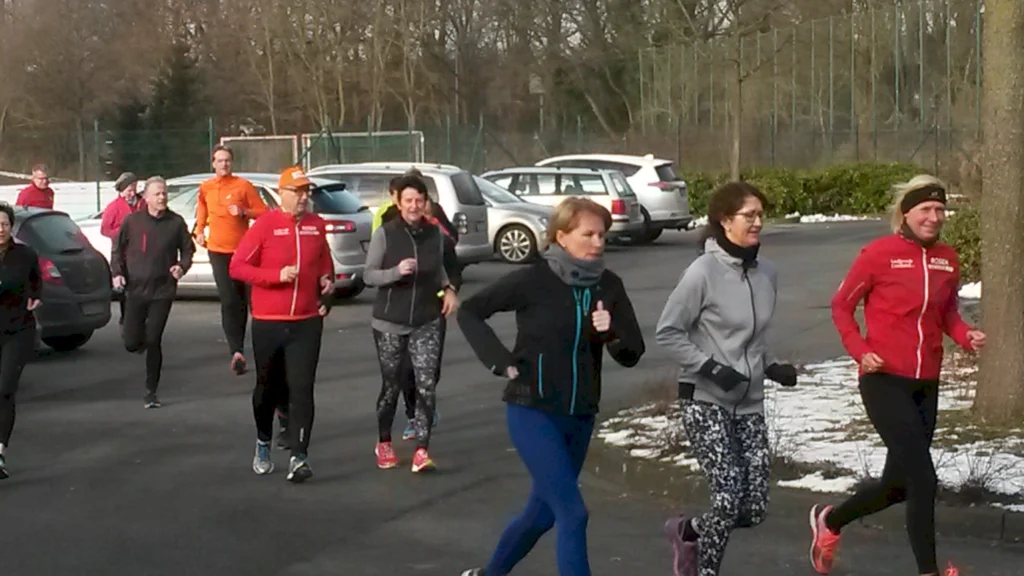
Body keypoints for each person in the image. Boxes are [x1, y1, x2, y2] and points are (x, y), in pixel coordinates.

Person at [456, 197, 645, 576]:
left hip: (580, 415)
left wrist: (611, 335)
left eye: (602, 235)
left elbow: (632, 352)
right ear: (561, 236)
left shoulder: (608, 285)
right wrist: (500, 360)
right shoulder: (534, 279)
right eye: (587, 234)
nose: (597, 242)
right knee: (573, 513)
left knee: (542, 515)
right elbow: (470, 311)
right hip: (532, 409)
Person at [810, 175, 985, 576]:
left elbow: (947, 313)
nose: (934, 217)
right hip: (883, 378)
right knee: (924, 478)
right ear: (906, 213)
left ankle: (831, 522)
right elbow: (841, 306)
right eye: (926, 209)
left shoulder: (947, 258)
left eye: (940, 210)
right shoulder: (879, 253)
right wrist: (860, 351)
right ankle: (929, 572)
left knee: (899, 484)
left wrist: (965, 335)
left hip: (926, 382)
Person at [654, 182, 795, 576]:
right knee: (728, 498)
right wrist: (711, 367)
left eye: (761, 215)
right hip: (705, 398)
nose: (757, 223)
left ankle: (688, 530)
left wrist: (772, 365)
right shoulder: (702, 272)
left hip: (749, 401)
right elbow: (668, 331)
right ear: (724, 220)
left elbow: (754, 336)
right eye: (749, 216)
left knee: (753, 509)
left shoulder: (767, 273)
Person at [229, 166, 333, 483]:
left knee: (302, 389)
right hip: (269, 322)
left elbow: (323, 259)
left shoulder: (316, 225)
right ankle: (263, 441)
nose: (304, 198)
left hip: (306, 322)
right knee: (268, 389)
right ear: (283, 193)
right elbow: (237, 267)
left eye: (307, 192)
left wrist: (326, 279)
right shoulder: (264, 225)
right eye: (297, 192)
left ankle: (299, 457)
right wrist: (276, 277)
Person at [364, 173, 458, 473]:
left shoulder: (434, 235)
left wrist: (449, 290)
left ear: (426, 202)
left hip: (427, 319)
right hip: (390, 321)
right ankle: (384, 442)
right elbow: (368, 276)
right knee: (392, 385)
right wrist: (395, 272)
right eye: (408, 200)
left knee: (426, 384)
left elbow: (440, 270)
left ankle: (421, 450)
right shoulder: (386, 233)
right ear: (398, 202)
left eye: (419, 200)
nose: (414, 206)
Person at [111, 177, 196, 409]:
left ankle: (151, 391)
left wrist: (182, 266)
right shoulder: (132, 221)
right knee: (131, 342)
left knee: (153, 339)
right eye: (157, 194)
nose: (162, 197)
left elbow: (188, 250)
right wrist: (117, 272)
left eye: (164, 193)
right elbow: (117, 249)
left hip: (163, 290)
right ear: (146, 197)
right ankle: (134, 338)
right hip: (136, 289)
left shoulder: (175, 223)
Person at [193, 144, 269, 376]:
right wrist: (199, 230)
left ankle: (258, 347)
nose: (224, 164)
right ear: (213, 163)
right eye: (219, 160)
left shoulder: (243, 186)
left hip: (243, 252)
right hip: (217, 250)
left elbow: (264, 212)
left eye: (227, 160)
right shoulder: (206, 187)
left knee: (246, 300)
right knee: (228, 301)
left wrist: (244, 212)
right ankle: (236, 351)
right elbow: (202, 209)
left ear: (231, 163)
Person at [0, 202, 41, 479]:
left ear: (11, 227)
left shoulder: (25, 255)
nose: (0, 229)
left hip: (17, 330)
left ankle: (0, 451)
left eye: (4, 224)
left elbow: (36, 282)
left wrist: (36, 295)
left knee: (4, 388)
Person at [101, 172, 142, 329]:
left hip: (141, 252)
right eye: (129, 190)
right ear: (121, 190)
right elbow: (105, 229)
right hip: (122, 252)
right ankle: (126, 320)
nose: (132, 193)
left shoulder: (142, 203)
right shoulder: (114, 207)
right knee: (126, 289)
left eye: (134, 188)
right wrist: (122, 234)